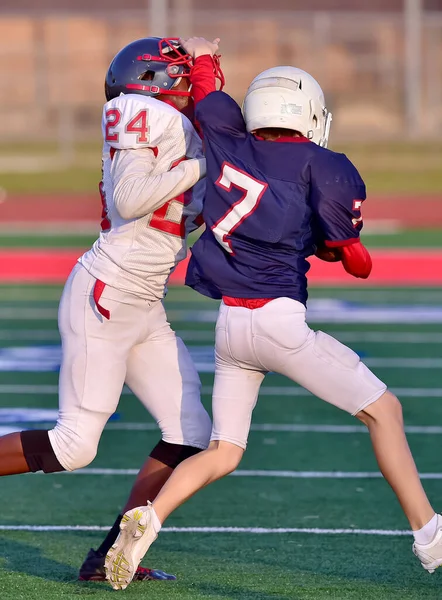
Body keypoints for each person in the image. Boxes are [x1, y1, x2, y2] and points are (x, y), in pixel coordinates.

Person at [104, 65, 442, 591]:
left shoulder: (224, 134)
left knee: (223, 451)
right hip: (279, 323)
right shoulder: (325, 164)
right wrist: (335, 243)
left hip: (230, 327)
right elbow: (357, 263)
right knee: (385, 411)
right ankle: (430, 536)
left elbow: (209, 91)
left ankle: (149, 517)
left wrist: (200, 58)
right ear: (305, 114)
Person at [0, 35, 223, 583]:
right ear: (154, 80)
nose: (188, 84)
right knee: (74, 446)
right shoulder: (139, 110)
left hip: (142, 300)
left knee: (191, 431)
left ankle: (110, 558)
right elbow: (130, 199)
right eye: (181, 74)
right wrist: (200, 168)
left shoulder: (177, 126)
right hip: (108, 291)